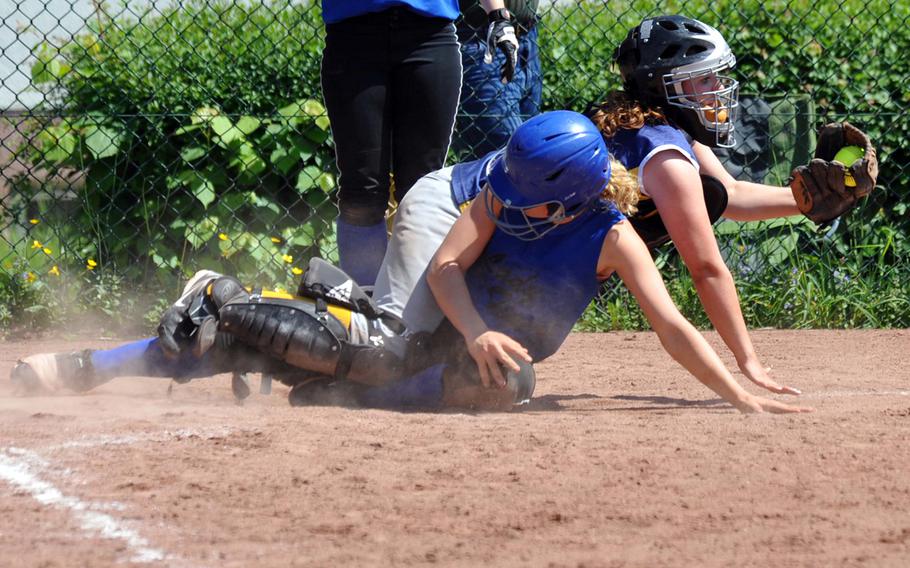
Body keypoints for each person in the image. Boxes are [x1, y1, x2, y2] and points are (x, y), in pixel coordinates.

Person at [11, 111, 811, 415]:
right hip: (436, 208)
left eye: (522, 200)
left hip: (469, 276)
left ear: (568, 202)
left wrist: (739, 392)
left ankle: (302, 326)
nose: (506, 200)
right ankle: (228, 303)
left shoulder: (610, 231)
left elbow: (671, 324)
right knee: (387, 342)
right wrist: (475, 329)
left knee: (485, 385)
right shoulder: (497, 195)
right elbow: (446, 271)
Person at [584, 15, 878, 397]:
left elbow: (732, 195)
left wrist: (811, 199)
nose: (718, 88)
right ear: (664, 85)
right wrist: (747, 359)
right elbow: (706, 268)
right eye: (705, 78)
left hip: (530, 254)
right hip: (522, 269)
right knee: (503, 379)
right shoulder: (666, 157)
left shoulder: (646, 125)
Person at [321, 0, 517, 287]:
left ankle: (414, 309)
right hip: (353, 37)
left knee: (421, 191)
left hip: (429, 37)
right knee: (361, 191)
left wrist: (498, 15)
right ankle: (362, 308)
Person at [451, 0, 541, 160]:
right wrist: (498, 16)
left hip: (526, 34)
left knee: (530, 143)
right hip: (482, 35)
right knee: (511, 153)